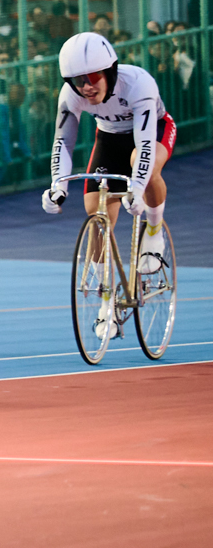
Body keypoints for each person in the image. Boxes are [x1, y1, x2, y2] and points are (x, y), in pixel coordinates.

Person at [44, 33, 173, 335]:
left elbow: (143, 146)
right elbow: (62, 142)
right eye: (78, 81)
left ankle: (153, 233)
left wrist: (137, 189)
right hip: (109, 138)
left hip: (152, 132)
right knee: (96, 213)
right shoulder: (70, 95)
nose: (86, 87)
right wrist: (57, 187)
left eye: (92, 77)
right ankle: (106, 305)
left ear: (110, 72)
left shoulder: (139, 84)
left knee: (142, 163)